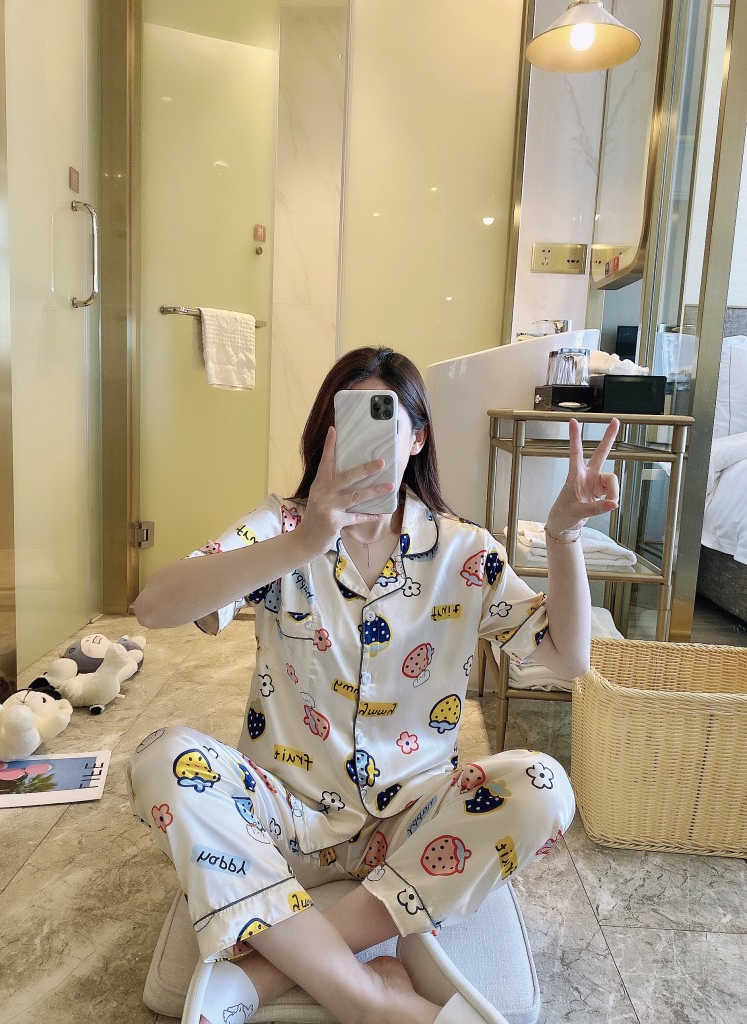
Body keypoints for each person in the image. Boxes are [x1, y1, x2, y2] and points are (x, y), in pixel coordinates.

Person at [129, 347, 620, 1024]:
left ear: (417, 438)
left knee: (544, 788)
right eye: (346, 417)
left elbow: (566, 658)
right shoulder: (281, 529)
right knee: (161, 759)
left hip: (411, 821)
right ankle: (366, 995)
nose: (363, 436)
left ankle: (267, 973)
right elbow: (153, 607)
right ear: (324, 433)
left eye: (384, 418)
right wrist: (301, 546)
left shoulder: (464, 550)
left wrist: (563, 535)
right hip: (282, 819)